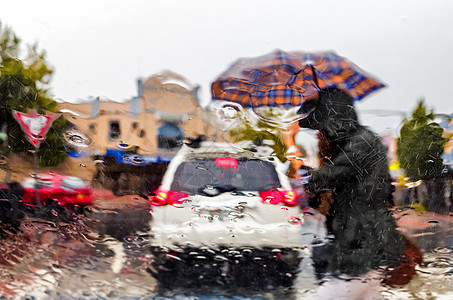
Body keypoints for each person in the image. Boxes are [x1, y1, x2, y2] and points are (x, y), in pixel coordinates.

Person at [297, 88, 423, 296]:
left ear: (334, 120)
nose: (319, 133)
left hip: (362, 242)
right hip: (358, 240)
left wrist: (308, 175)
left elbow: (323, 178)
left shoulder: (361, 142)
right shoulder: (357, 142)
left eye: (322, 127)